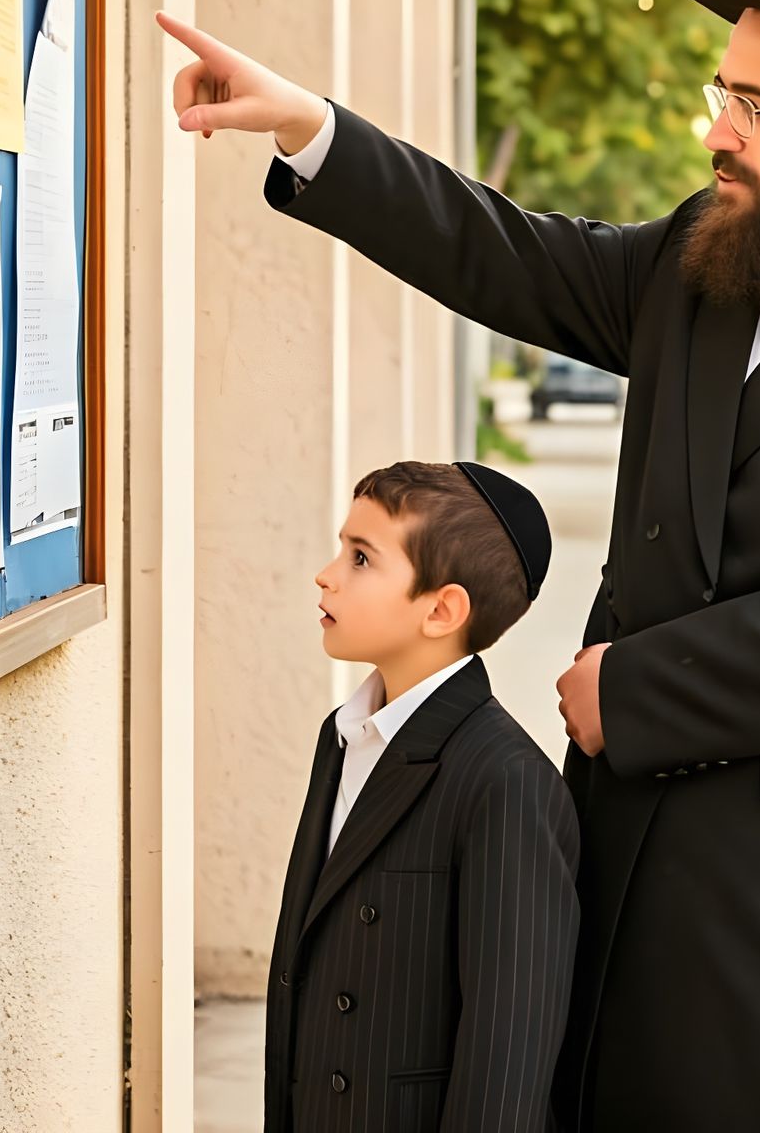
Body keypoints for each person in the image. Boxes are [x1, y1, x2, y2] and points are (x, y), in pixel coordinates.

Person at [167, 0, 760, 1131]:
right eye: (723, 89)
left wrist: (633, 691)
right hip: (635, 833)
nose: (720, 130)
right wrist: (314, 130)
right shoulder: (706, 256)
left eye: (759, 105)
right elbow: (510, 253)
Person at [264, 460, 579, 1133]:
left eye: (360, 559)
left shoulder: (505, 779)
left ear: (441, 610)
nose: (327, 574)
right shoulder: (345, 733)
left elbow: (508, 1053)